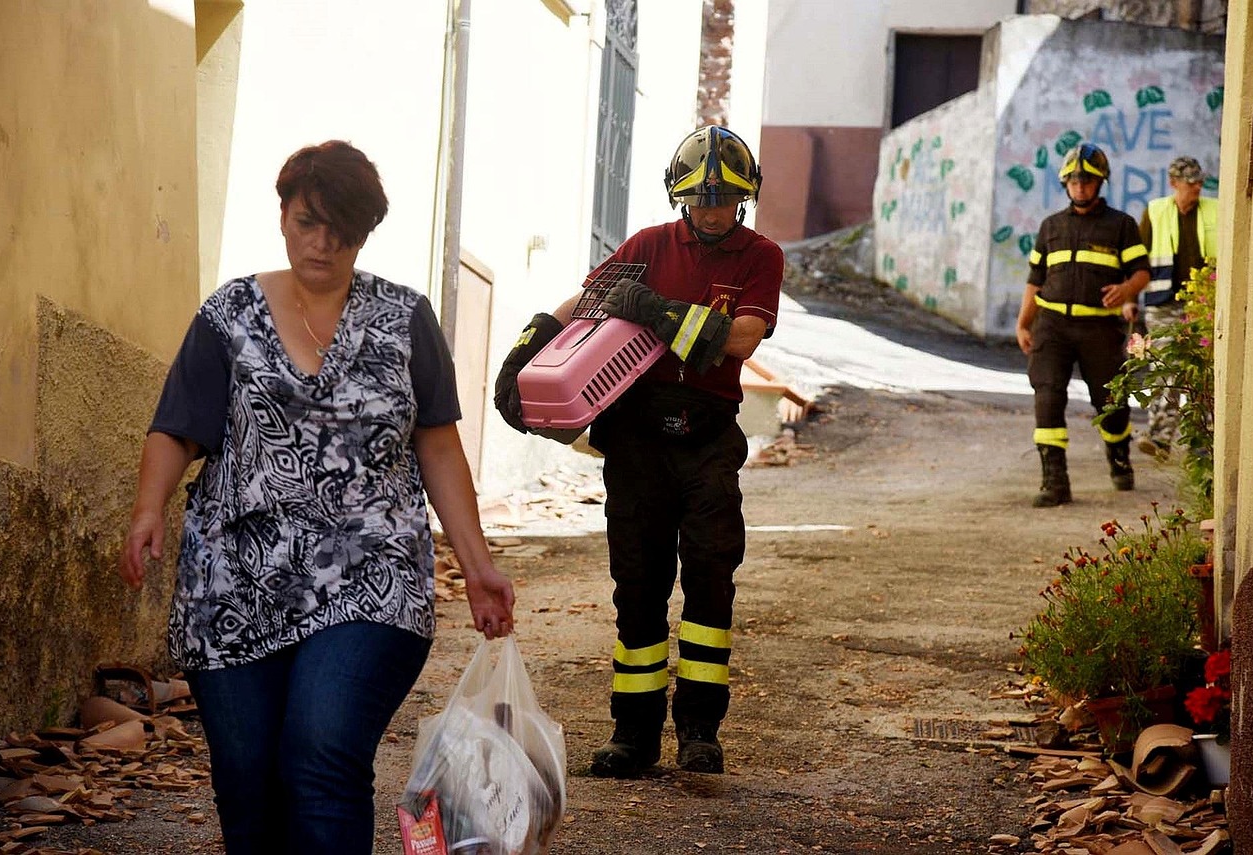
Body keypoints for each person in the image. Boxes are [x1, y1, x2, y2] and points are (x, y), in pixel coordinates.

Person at [118, 140, 516, 854]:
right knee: (247, 782)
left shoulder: (405, 319)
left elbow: (437, 444)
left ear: (365, 233)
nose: (322, 242)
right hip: (234, 580)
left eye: (342, 229)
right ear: (283, 216)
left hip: (372, 575)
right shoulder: (229, 314)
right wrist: (150, 506)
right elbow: (178, 428)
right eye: (308, 221)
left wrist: (477, 562)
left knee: (322, 748)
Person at [494, 126, 782, 777]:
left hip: (708, 436)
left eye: (724, 200)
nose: (711, 211)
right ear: (678, 195)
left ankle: (701, 729)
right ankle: (635, 732)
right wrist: (531, 340)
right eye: (699, 199)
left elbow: (740, 339)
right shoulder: (648, 245)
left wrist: (655, 309)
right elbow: (588, 300)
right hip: (637, 437)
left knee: (711, 580)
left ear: (744, 197)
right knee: (639, 586)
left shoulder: (760, 255)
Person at [1015, 142, 1151, 508]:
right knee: (1047, 395)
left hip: (1100, 331)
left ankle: (1119, 458)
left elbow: (1141, 273)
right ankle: (1054, 482)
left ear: (1100, 183)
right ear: (1065, 184)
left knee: (1110, 403)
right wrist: (1023, 323)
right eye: (1074, 181)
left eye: (1087, 181)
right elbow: (1035, 279)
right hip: (1052, 327)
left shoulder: (1120, 225)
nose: (1080, 187)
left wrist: (1125, 290)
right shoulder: (1050, 227)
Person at [1130, 155, 1218, 460]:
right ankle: (1160, 438)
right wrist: (1130, 298)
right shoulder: (1155, 212)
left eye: (1199, 183)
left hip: (1203, 304)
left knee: (1203, 372)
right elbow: (1138, 260)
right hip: (1163, 302)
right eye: (1189, 183)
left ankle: (1203, 444)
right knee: (1167, 369)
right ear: (1173, 183)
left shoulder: (1215, 210)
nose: (1196, 188)